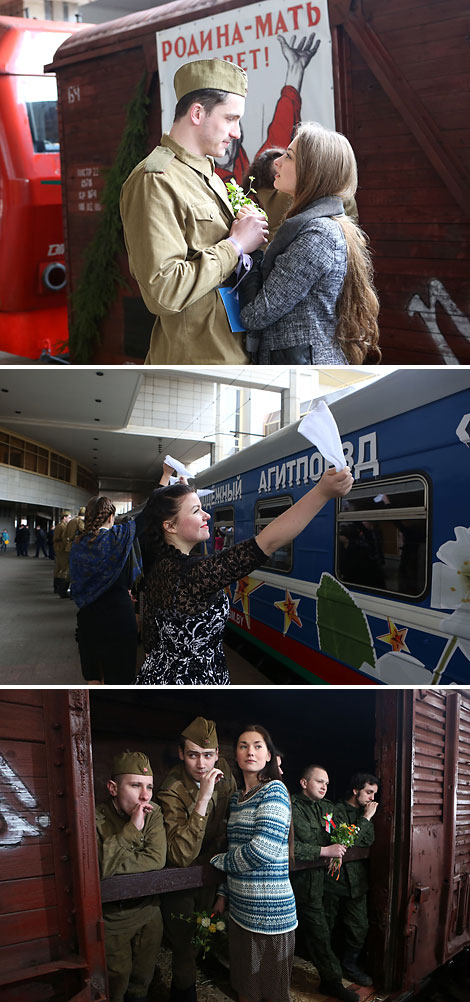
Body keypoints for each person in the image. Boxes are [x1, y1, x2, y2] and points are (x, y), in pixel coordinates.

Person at [136, 464, 353, 685]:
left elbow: (151, 640)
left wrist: (180, 497)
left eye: (201, 508)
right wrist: (322, 492)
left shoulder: (158, 567)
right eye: (196, 511)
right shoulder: (194, 574)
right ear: (169, 526)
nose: (207, 515)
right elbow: (267, 542)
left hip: (156, 674)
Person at [120, 58, 268, 366]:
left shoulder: (208, 174)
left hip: (230, 352)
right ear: (197, 113)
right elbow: (164, 290)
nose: (237, 132)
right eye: (230, 119)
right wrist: (235, 245)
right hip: (199, 360)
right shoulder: (155, 181)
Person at [238, 121, 381, 365]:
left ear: (312, 171)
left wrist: (247, 247)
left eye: (289, 157)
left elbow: (255, 315)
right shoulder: (312, 226)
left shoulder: (318, 235)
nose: (277, 161)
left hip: (304, 368)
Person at [210, 724, 297, 1002]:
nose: (250, 751)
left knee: (272, 993)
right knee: (245, 987)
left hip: (270, 913)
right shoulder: (237, 799)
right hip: (240, 912)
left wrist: (218, 862)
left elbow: (262, 851)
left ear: (269, 755)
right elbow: (235, 846)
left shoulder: (274, 791)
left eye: (258, 746)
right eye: (243, 745)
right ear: (235, 755)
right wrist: (224, 892)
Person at [69, 464, 176, 685]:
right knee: (121, 677)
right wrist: (166, 476)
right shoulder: (119, 536)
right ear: (110, 516)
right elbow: (151, 511)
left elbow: (77, 582)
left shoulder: (78, 544)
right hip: (119, 615)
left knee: (93, 677)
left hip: (89, 618)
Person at [156, 716, 236, 1002]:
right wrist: (202, 799)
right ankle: (183, 991)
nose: (201, 765)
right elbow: (179, 856)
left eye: (207, 755)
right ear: (181, 754)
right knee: (183, 942)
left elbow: (232, 812)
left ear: (217, 755)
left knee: (211, 926)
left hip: (212, 867)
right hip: (182, 875)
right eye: (192, 755)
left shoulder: (223, 770)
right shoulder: (172, 790)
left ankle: (209, 962)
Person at [96, 750, 166, 1002]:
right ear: (113, 788)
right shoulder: (95, 818)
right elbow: (99, 867)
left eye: (149, 786)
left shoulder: (153, 812)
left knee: (142, 981)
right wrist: (132, 828)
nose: (145, 795)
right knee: (117, 980)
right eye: (135, 785)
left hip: (149, 912)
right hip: (114, 918)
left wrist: (113, 861)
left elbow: (156, 859)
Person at [291, 764, 358, 1002]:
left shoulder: (328, 808)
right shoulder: (292, 806)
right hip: (296, 882)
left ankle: (330, 980)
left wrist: (339, 850)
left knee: (321, 930)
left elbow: (343, 834)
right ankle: (331, 981)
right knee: (309, 931)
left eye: (327, 783)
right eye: (320, 782)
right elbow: (290, 848)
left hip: (322, 882)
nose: (324, 786)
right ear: (304, 783)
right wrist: (324, 850)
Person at [323, 772, 379, 987]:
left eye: (374, 793)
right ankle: (328, 968)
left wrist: (364, 822)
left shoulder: (366, 813)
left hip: (357, 882)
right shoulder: (336, 811)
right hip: (335, 881)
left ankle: (349, 964)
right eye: (368, 792)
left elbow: (367, 840)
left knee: (359, 927)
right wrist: (364, 820)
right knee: (327, 925)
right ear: (355, 790)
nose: (372, 797)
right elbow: (343, 841)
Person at [53, 511, 71, 595]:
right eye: (69, 517)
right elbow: (63, 537)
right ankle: (61, 588)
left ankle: (57, 587)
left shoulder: (60, 526)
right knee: (64, 567)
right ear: (64, 517)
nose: (69, 519)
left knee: (58, 567)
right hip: (61, 548)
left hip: (59, 547)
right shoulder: (62, 526)